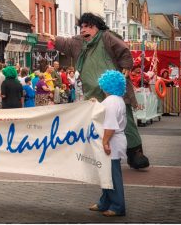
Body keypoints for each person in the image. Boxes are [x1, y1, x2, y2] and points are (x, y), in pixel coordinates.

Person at [49, 12, 149, 169]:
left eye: (88, 26)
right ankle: (96, 152)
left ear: (97, 27)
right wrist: (55, 40)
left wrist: (126, 66)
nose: (83, 30)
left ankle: (135, 153)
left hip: (114, 90)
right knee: (96, 122)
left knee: (126, 121)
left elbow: (123, 50)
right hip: (93, 93)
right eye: (81, 27)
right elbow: (66, 44)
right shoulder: (78, 42)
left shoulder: (107, 37)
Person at [89, 70, 127, 217]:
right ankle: (104, 202)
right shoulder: (116, 99)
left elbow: (110, 125)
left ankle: (117, 206)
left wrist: (105, 142)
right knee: (106, 174)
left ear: (106, 85)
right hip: (115, 140)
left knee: (112, 175)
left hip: (112, 141)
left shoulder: (111, 101)